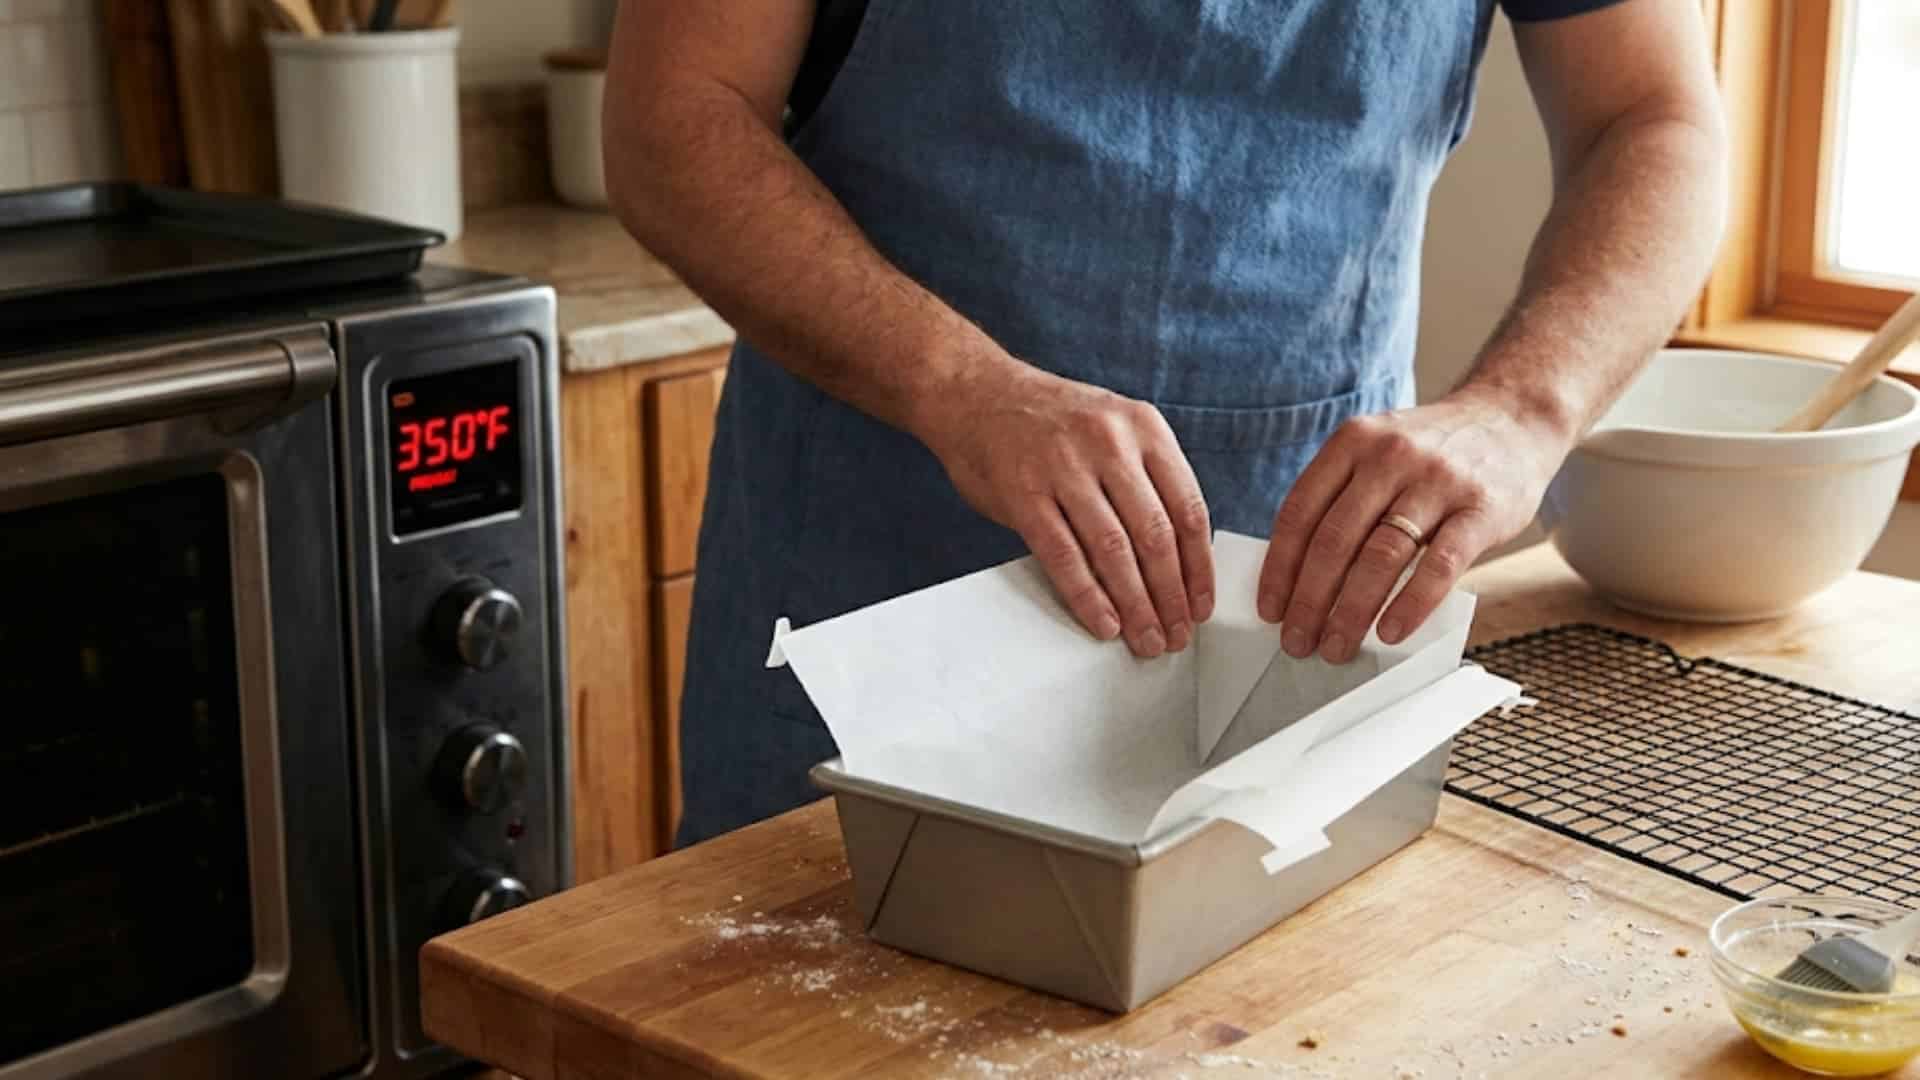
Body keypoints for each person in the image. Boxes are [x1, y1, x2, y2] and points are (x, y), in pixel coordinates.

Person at [603, 0, 1728, 846]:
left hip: (1297, 610)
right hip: (875, 599)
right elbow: (674, 118)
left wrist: (1520, 412)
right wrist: (960, 385)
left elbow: (1656, 116)